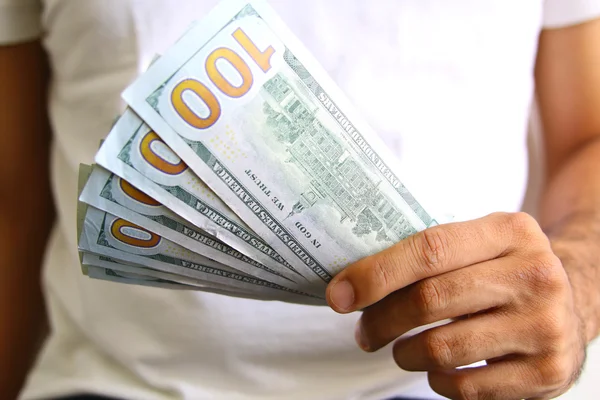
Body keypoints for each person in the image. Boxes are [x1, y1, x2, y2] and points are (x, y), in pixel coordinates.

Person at [1, 1, 599, 399]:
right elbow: (12, 195)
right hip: (115, 382)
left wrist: (573, 287)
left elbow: (588, 138)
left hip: (440, 384)